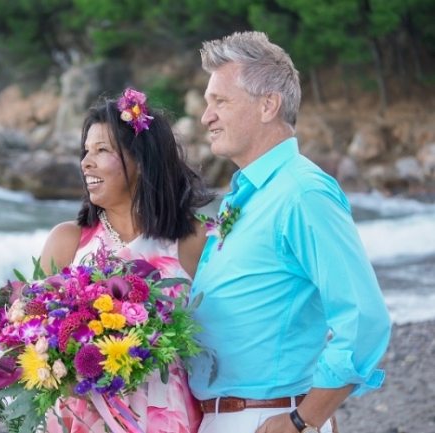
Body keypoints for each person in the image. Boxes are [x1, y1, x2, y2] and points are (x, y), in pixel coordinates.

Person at [187, 31, 392, 433]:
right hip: (222, 418)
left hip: (266, 418)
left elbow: (364, 319)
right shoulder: (242, 197)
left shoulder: (302, 193)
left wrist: (303, 420)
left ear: (268, 106)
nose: (205, 117)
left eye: (220, 102)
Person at [40, 88, 214, 432]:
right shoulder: (68, 241)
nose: (85, 162)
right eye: (86, 151)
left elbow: (224, 334)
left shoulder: (194, 241)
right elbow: (33, 344)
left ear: (141, 161)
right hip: (83, 417)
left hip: (164, 413)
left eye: (102, 150)